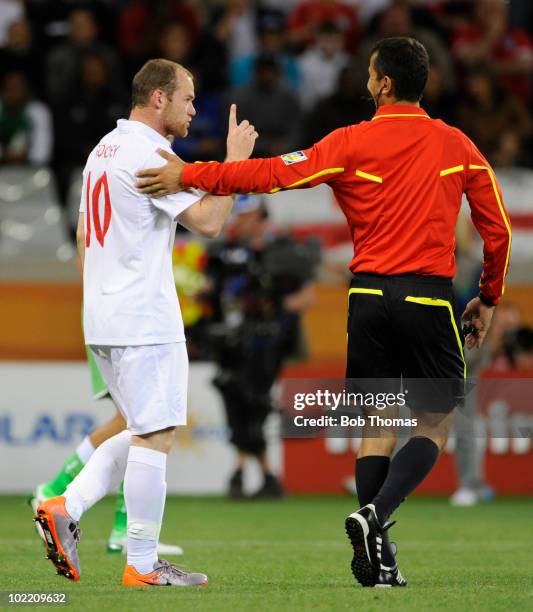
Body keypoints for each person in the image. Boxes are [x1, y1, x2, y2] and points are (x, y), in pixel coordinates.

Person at [136, 37, 512, 587]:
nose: (364, 80)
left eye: (368, 73)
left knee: (378, 423)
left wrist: (190, 174)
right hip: (428, 297)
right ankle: (375, 517)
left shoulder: (349, 143)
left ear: (383, 84)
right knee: (434, 422)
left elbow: (269, 175)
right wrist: (490, 294)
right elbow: (496, 226)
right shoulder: (456, 145)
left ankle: (380, 560)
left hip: (367, 300)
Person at [34, 58, 258, 587]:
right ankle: (142, 562)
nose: (193, 109)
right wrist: (233, 164)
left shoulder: (101, 151)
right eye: (187, 98)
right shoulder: (150, 154)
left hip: (104, 317)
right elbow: (208, 222)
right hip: (144, 318)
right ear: (158, 98)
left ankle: (69, 505)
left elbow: (87, 240)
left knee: (142, 430)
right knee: (156, 435)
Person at [207, 195, 317, 498]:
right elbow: (215, 292)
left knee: (252, 402)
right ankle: (263, 474)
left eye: (245, 214)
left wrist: (275, 306)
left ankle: (246, 472)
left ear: (259, 215)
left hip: (267, 341)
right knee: (237, 400)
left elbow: (307, 297)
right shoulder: (228, 252)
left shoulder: (283, 250)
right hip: (232, 339)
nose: (238, 220)